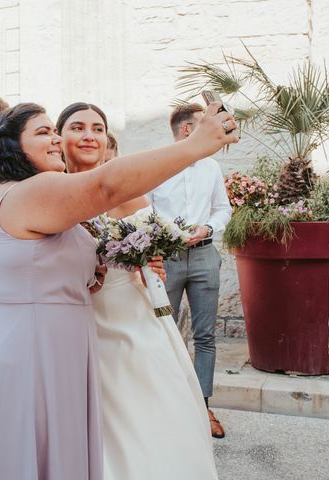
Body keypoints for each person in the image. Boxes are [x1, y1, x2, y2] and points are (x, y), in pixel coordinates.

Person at [0, 102, 237, 479]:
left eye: (53, 130)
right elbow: (106, 184)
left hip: (38, 350)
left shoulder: (22, 192)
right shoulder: (32, 191)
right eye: (42, 132)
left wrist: (100, 266)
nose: (54, 138)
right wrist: (194, 146)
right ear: (13, 146)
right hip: (22, 356)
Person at [58, 102, 219, 480]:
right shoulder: (49, 189)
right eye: (77, 127)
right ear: (59, 136)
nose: (89, 136)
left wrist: (148, 260)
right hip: (71, 314)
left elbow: (153, 239)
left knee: (141, 402)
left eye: (97, 129)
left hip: (128, 312)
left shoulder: (124, 186)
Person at [150, 103, 232, 438]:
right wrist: (167, 234)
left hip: (203, 257)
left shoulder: (211, 167)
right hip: (166, 260)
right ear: (188, 130)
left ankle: (204, 406)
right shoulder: (157, 164)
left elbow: (223, 208)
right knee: (160, 335)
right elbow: (146, 210)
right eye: (205, 123)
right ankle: (164, 409)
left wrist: (209, 228)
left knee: (206, 336)